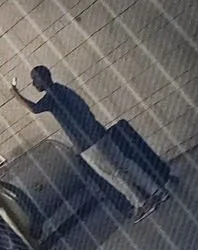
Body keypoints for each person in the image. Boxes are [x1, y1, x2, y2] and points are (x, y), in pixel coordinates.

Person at [11, 66, 160, 219]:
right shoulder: (63, 89)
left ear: (43, 77)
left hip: (87, 142)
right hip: (99, 133)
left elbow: (35, 108)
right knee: (124, 163)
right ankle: (155, 190)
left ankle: (141, 203)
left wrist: (15, 94)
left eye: (34, 78)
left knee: (113, 174)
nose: (33, 83)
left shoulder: (52, 95)